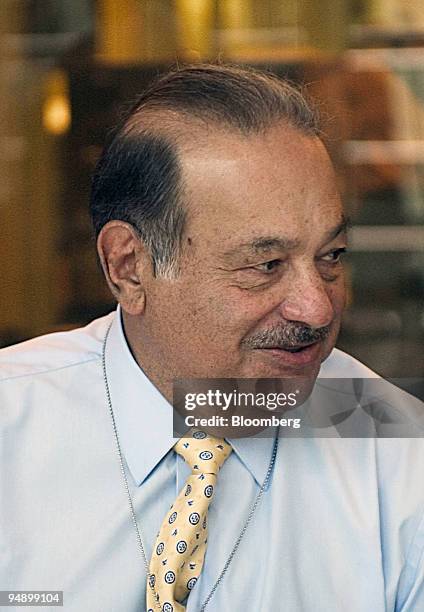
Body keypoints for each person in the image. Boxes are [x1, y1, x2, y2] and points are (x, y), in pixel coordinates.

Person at [0, 64, 423, 612]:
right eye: (265, 265)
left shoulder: (393, 446)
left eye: (331, 257)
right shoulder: (11, 423)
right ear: (129, 267)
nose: (317, 307)